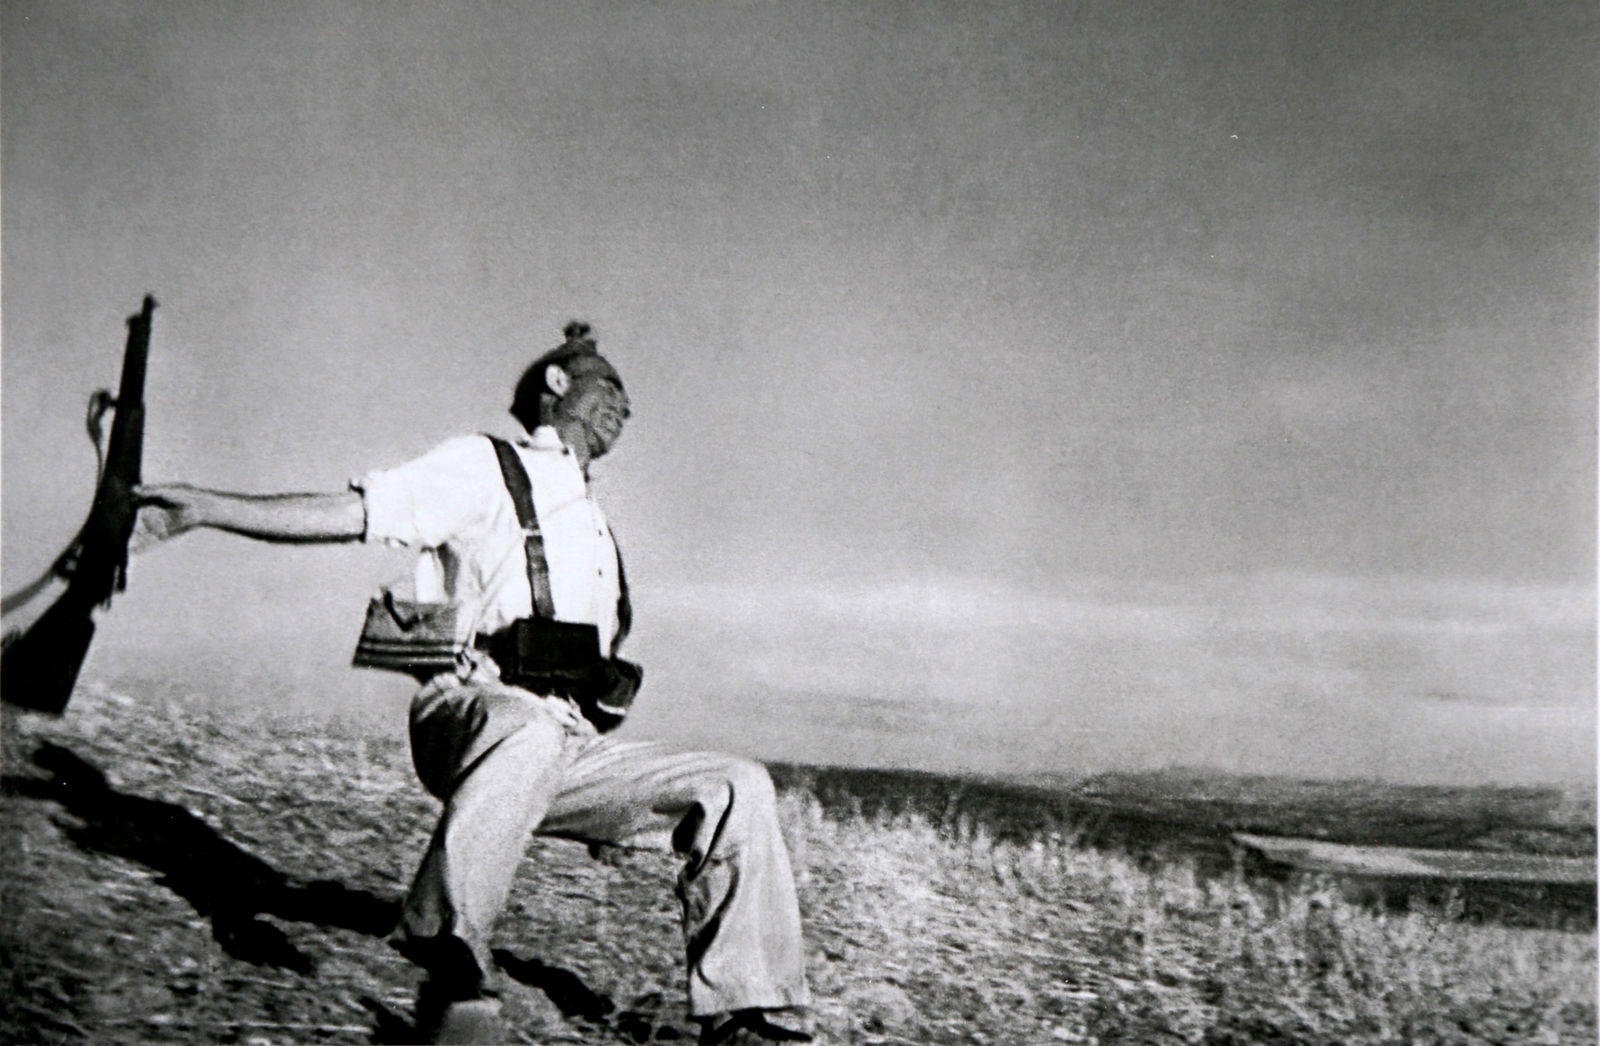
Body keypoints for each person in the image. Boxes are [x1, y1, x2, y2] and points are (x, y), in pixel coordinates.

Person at [135, 322, 812, 1045]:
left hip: (562, 742)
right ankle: (448, 945)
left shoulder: (596, 529)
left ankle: (750, 1017)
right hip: (470, 709)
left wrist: (622, 805)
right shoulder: (484, 465)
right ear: (558, 384)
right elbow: (354, 513)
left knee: (736, 784)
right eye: (610, 387)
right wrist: (205, 508)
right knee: (529, 730)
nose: (625, 407)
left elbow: (593, 677)